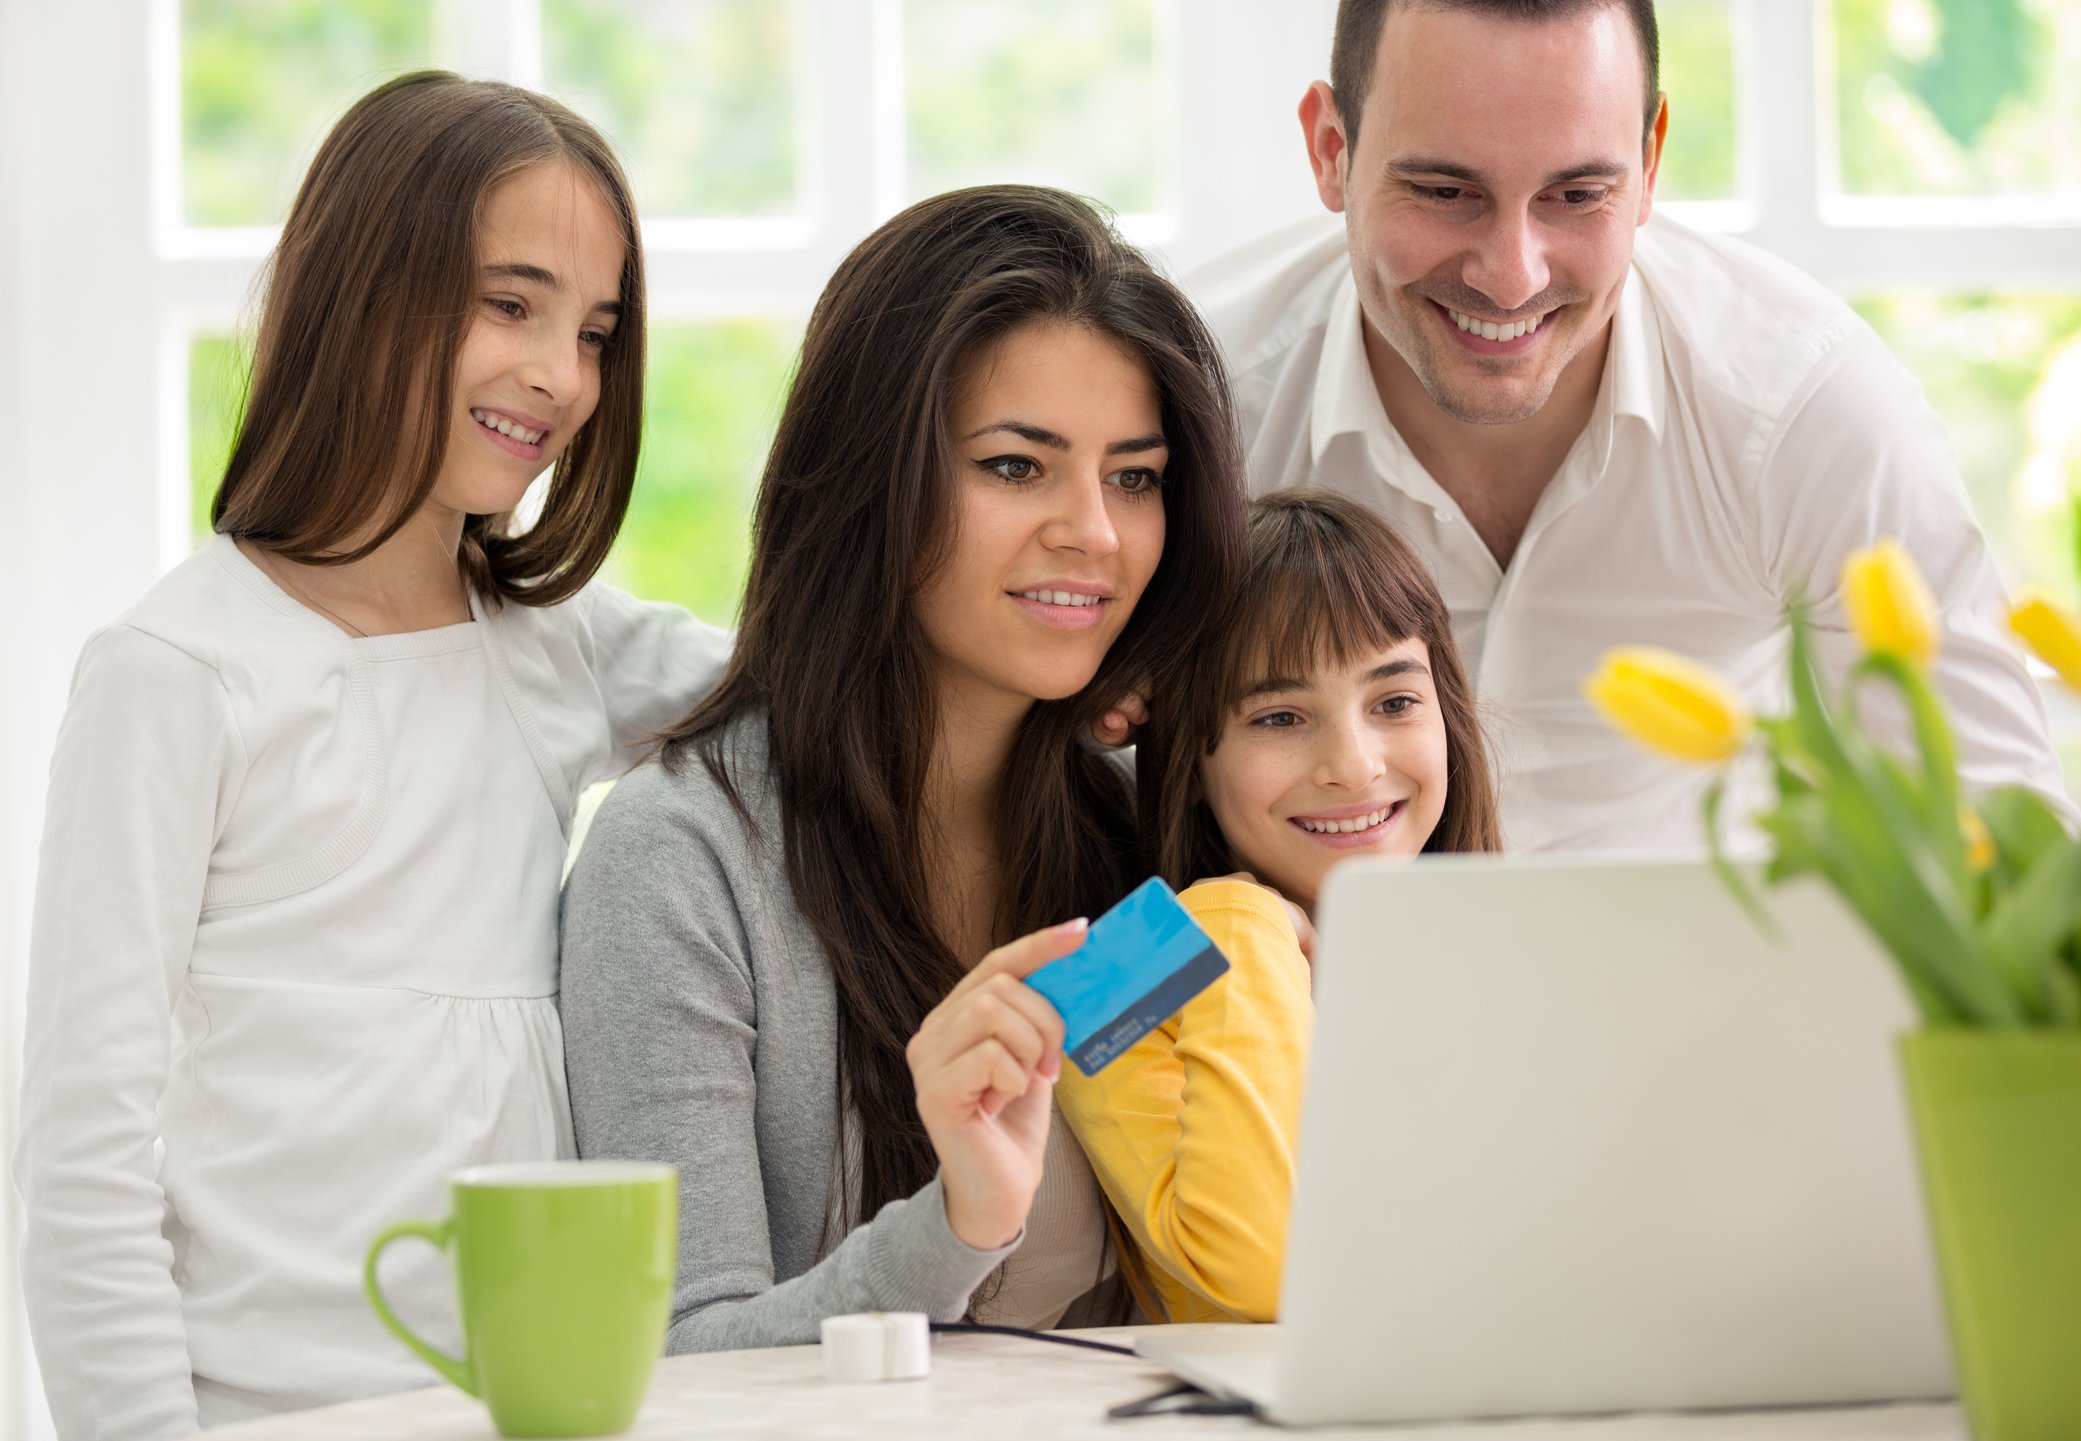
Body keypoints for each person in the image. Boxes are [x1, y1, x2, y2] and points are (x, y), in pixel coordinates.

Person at [13, 73, 731, 1435]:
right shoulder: (177, 672)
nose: (561, 376)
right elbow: (84, 1150)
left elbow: (816, 697)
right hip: (263, 1412)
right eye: (509, 304)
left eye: (594, 331)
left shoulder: (557, 642)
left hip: (525, 1402)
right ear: (361, 289)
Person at [558, 185, 1248, 1350]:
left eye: (1134, 477)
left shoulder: (1141, 834)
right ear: (870, 474)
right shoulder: (681, 860)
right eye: (1016, 467)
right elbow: (679, 1363)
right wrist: (958, 1222)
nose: (1095, 530)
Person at [1190, 0, 2067, 851]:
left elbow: (2005, 831)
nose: (1510, 276)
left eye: (1575, 194)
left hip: (1709, 989)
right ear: (1330, 149)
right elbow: (1083, 786)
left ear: (1648, 163)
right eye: (1444, 190)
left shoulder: (1800, 409)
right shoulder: (1198, 403)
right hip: (1291, 988)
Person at [1057, 488, 1499, 1322]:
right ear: (1190, 754)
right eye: (1281, 715)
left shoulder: (1509, 959)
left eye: (1394, 702)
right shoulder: (1114, 969)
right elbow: (1262, 1274)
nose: (1353, 764)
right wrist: (1238, 920)